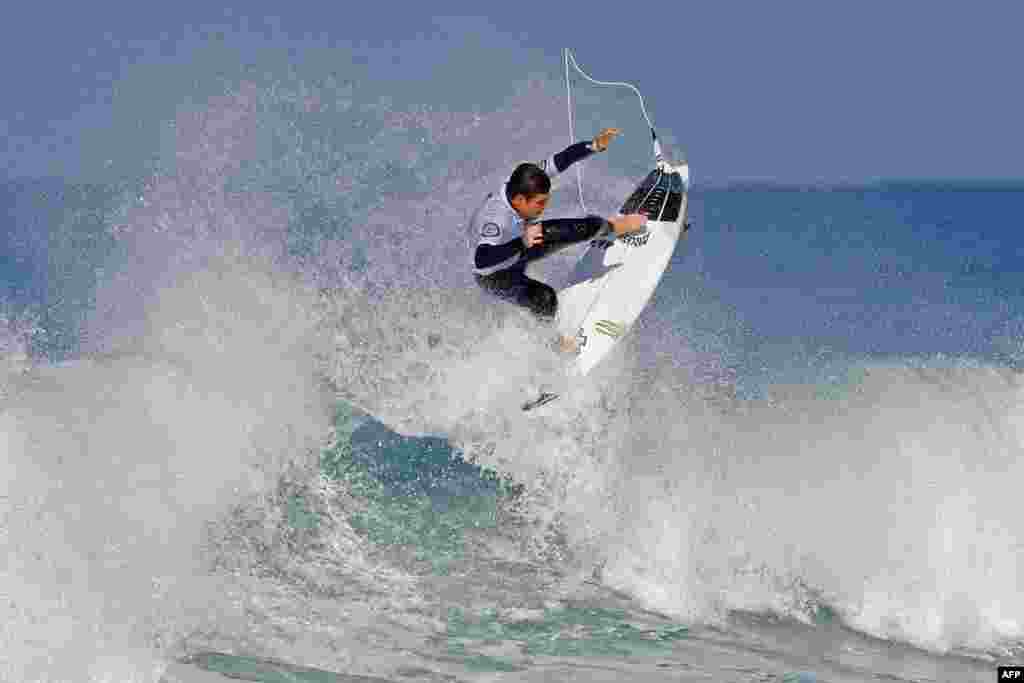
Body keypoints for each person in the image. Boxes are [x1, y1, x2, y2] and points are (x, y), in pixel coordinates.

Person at [470, 127, 648, 352]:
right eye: (539, 203)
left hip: (523, 244)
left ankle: (617, 226)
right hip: (496, 274)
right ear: (518, 199)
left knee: (584, 227)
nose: (544, 208)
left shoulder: (525, 181)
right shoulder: (495, 219)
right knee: (546, 300)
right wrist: (521, 242)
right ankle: (554, 345)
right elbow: (481, 260)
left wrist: (594, 146)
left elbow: (561, 160)